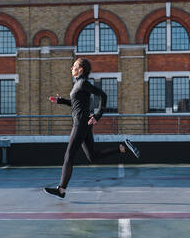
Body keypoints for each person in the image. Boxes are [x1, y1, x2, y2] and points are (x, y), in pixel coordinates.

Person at [44, 58, 140, 199]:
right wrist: (61, 101)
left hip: (81, 124)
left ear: (81, 69)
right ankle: (121, 147)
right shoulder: (78, 84)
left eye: (75, 66)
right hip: (84, 123)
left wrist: (98, 115)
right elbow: (77, 104)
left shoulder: (83, 83)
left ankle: (61, 189)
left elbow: (103, 95)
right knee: (92, 156)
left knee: (68, 156)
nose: (72, 68)